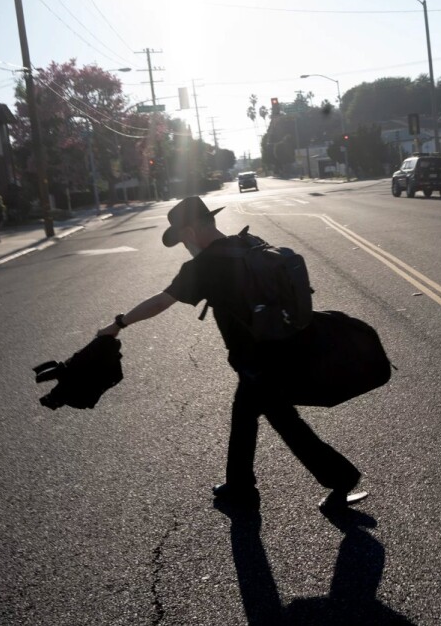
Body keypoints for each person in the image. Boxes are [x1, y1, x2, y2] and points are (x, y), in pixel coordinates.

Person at [97, 196, 361, 512]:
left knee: (286, 423)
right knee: (246, 416)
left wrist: (119, 323)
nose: (184, 245)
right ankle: (240, 485)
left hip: (257, 362)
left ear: (191, 232)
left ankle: (340, 477)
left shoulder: (204, 266)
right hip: (279, 348)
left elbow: (160, 302)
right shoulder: (248, 242)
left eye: (182, 238)